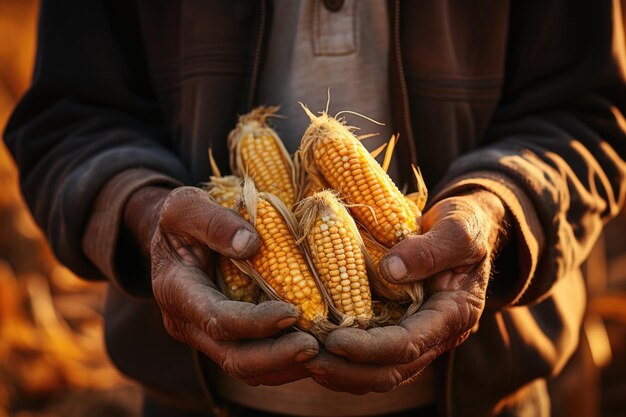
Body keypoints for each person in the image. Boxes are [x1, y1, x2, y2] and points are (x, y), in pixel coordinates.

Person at [4, 1, 626, 416]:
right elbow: (68, 117)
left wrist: (495, 210)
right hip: (196, 398)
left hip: (482, 396)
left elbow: (589, 119)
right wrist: (145, 214)